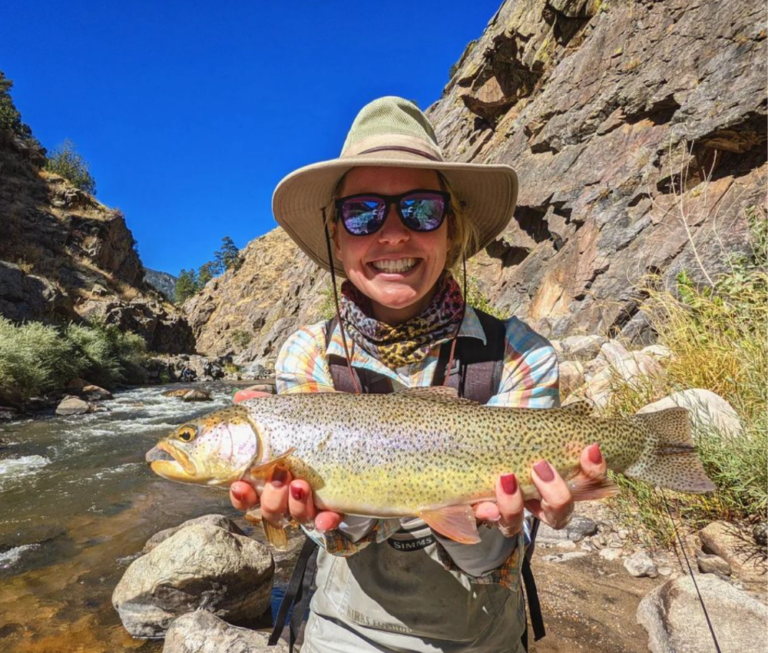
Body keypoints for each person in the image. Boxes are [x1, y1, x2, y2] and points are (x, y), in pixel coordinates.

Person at [230, 97, 607, 652]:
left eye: (421, 210)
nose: (392, 234)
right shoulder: (307, 354)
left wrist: (495, 525)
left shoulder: (520, 354)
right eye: (363, 213)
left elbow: (495, 555)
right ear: (337, 236)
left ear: (451, 230)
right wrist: (328, 515)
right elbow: (331, 536)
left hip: (483, 634)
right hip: (345, 632)